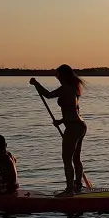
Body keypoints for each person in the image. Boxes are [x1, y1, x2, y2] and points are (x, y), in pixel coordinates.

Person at [30, 64, 87, 196]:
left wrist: (36, 84)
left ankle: (69, 190)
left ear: (64, 75)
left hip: (73, 128)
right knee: (76, 158)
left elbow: (48, 95)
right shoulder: (73, 89)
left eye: (58, 75)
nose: (57, 78)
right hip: (80, 125)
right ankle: (77, 184)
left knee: (67, 159)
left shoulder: (66, 88)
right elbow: (73, 111)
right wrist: (61, 121)